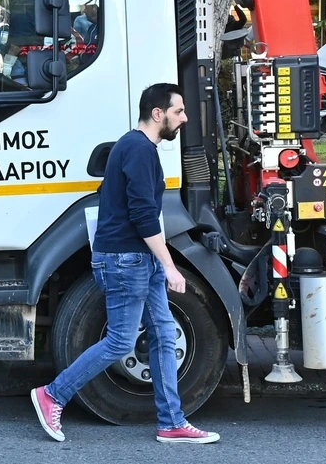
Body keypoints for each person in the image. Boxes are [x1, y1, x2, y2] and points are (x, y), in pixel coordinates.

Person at [30, 83, 220, 445]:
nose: (185, 118)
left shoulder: (139, 148)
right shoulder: (137, 149)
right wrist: (170, 265)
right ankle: (52, 394)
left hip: (136, 257)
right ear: (158, 114)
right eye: (179, 111)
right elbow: (143, 216)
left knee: (164, 335)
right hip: (125, 260)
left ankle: (171, 422)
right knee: (119, 341)